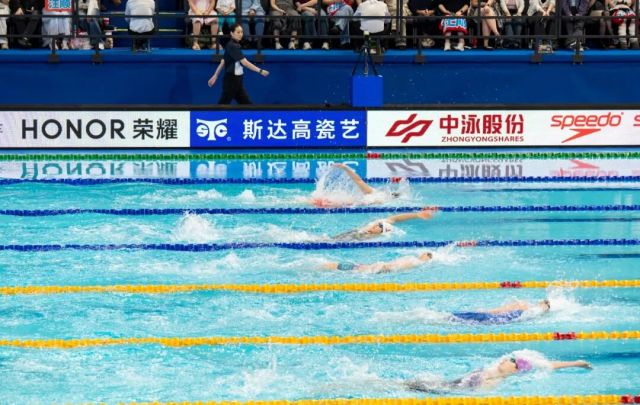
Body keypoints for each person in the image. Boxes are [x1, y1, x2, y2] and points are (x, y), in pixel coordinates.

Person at [405, 351, 592, 393]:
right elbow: (548, 364)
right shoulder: (492, 369)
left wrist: (576, 364)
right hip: (449, 383)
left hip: (447, 390)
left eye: (511, 360)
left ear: (516, 369)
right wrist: (576, 363)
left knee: (412, 386)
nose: (505, 360)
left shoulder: (494, 381)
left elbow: (547, 365)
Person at [208, 23, 270, 104]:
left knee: (247, 105)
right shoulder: (233, 46)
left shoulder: (232, 45)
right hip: (231, 81)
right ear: (232, 33)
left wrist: (215, 76)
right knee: (223, 105)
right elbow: (245, 62)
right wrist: (260, 71)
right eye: (238, 32)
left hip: (238, 80)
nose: (240, 34)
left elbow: (223, 61)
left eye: (241, 32)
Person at [309, 163, 404, 208]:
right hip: (341, 202)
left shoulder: (376, 195)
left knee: (312, 201)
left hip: (342, 202)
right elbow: (359, 181)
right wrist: (345, 168)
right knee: (314, 201)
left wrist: (345, 168)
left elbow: (359, 181)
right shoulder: (375, 195)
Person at [331, 207, 438, 241]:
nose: (378, 225)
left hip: (354, 237)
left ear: (381, 232)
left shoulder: (371, 237)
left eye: (380, 226)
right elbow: (397, 218)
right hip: (352, 233)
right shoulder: (370, 227)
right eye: (380, 224)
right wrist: (417, 215)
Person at [450, 299, 551, 324]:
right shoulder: (528, 311)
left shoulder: (526, 309)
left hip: (489, 317)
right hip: (490, 318)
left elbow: (497, 311)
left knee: (451, 317)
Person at [323, 252, 433, 273]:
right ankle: (327, 266)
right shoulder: (413, 258)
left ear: (427, 257)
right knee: (355, 268)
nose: (422, 253)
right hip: (380, 267)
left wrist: (388, 267)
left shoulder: (417, 262)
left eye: (426, 254)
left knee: (354, 269)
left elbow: (402, 266)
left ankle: (325, 266)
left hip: (382, 268)